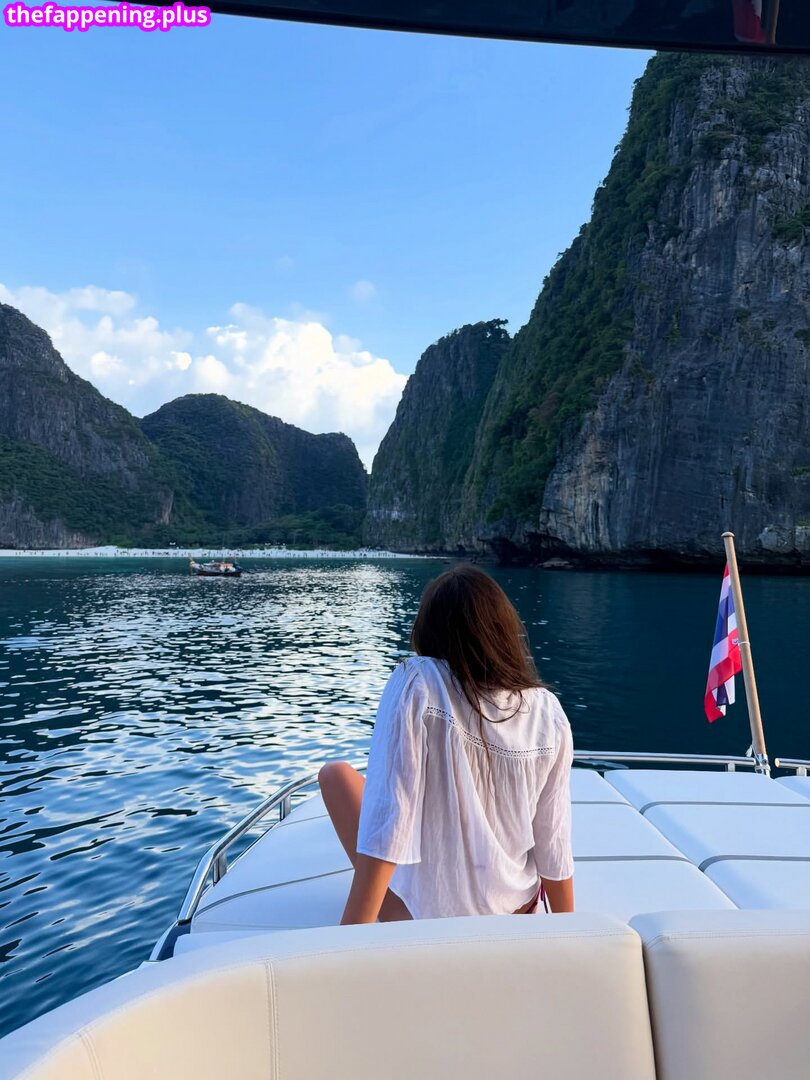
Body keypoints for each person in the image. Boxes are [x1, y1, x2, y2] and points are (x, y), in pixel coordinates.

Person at [319, 564, 575, 925]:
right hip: (519, 910)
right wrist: (568, 928)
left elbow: (391, 814)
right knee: (345, 779)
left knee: (335, 776)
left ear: (428, 630)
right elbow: (553, 837)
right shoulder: (547, 709)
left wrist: (349, 936)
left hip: (429, 925)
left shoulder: (417, 681)